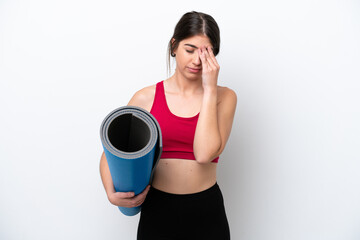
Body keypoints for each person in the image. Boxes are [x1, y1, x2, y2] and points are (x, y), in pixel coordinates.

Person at [100, 11, 237, 240]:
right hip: (158, 209)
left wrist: (210, 89)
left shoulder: (224, 97)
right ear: (174, 46)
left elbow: (203, 154)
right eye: (190, 50)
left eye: (206, 53)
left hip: (206, 211)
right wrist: (110, 193)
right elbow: (111, 153)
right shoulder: (146, 97)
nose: (196, 60)